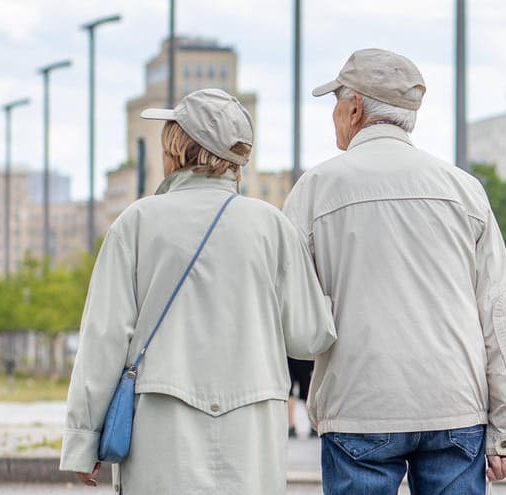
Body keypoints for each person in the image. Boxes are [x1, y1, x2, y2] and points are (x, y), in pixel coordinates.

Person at [59, 88, 337, 494]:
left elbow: (104, 338)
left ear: (176, 149)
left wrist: (83, 440)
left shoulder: (136, 223)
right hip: (251, 431)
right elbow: (308, 336)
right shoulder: (271, 226)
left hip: (161, 430)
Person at [282, 48, 506, 494]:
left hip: (359, 405)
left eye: (337, 103)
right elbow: (498, 313)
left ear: (355, 108)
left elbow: (288, 308)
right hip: (455, 407)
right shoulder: (463, 190)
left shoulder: (315, 191)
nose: (335, 115)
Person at [287, 357, 315, 438]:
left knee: (290, 390)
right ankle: (313, 425)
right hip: (303, 356)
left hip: (288, 355)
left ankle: (290, 426)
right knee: (307, 390)